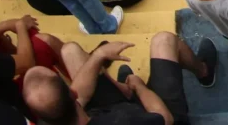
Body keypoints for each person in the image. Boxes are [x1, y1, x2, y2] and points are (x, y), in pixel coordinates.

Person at [22, 34, 216, 125]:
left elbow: (80, 94)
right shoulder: (122, 121)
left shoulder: (49, 118)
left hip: (107, 109)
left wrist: (98, 56)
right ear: (71, 93)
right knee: (163, 40)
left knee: (70, 51)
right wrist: (139, 87)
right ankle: (204, 71)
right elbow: (165, 119)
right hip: (154, 116)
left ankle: (123, 89)